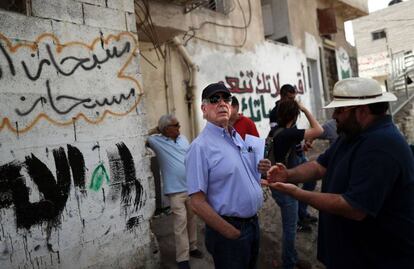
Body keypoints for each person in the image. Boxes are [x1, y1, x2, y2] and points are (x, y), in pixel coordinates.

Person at [265, 77, 414, 269]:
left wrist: (296, 193)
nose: (334, 115)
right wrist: (288, 175)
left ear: (362, 111)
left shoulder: (382, 145)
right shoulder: (352, 134)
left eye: (340, 110)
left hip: (376, 259)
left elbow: (353, 207)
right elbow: (320, 166)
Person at [185, 82, 271, 269]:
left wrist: (260, 167)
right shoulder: (200, 148)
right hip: (230, 232)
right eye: (215, 99)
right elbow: (197, 202)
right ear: (204, 109)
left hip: (252, 224)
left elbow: (239, 172)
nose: (222, 103)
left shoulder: (235, 136)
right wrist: (230, 232)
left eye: (227, 99)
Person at [266, 99, 323, 269]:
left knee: (291, 224)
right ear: (294, 115)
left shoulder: (277, 130)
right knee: (290, 229)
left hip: (278, 182)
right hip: (282, 186)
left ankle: (291, 257)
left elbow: (292, 149)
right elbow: (318, 130)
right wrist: (305, 109)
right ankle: (289, 263)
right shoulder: (287, 133)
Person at [146, 115, 203, 269]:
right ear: (165, 129)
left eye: (178, 124)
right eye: (175, 125)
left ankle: (193, 247)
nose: (179, 127)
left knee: (192, 219)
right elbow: (141, 137)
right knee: (180, 224)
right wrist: (157, 129)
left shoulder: (183, 139)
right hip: (175, 191)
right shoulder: (156, 141)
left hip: (191, 188)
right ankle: (182, 258)